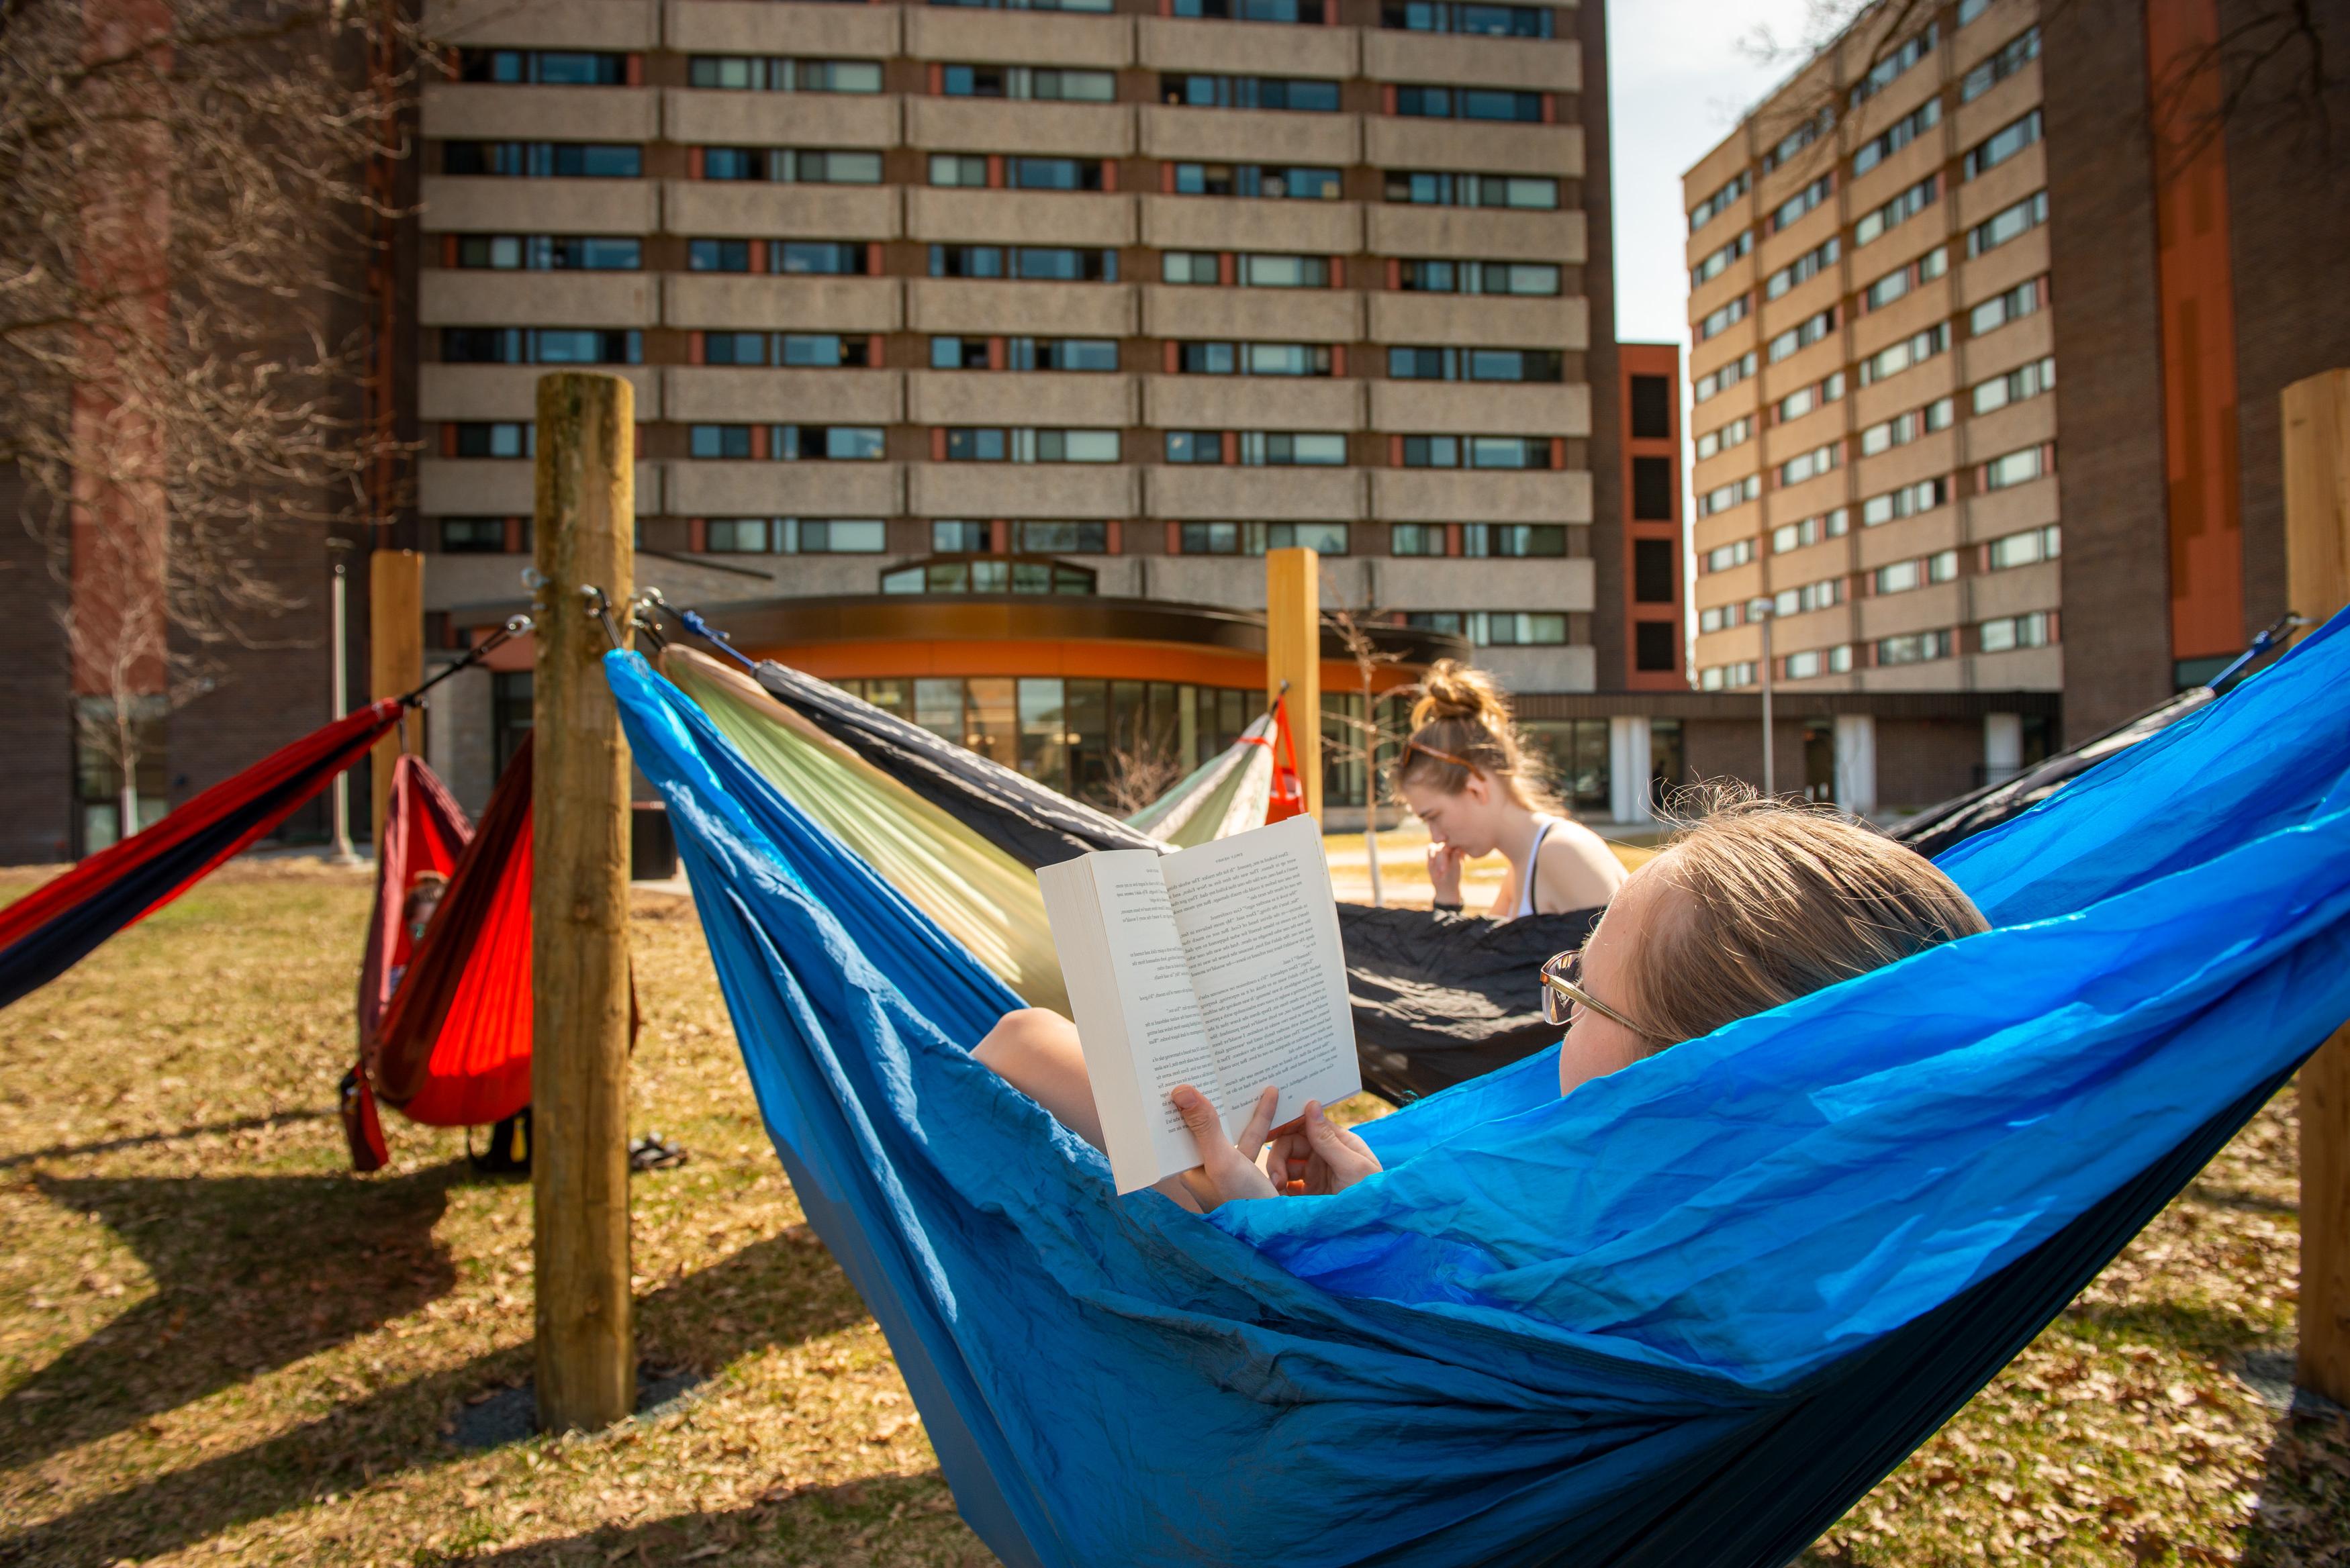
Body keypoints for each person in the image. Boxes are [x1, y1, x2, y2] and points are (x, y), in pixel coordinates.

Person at [976, 792, 1989, 1212]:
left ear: (1688, 1072)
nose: (1556, 1022)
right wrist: (1374, 1202)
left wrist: (1283, 1246)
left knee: (1023, 1041)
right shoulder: (1745, 1219)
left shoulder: (1605, 1273)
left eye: (1580, 993)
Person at [1393, 660, 1626, 921]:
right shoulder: (1522, 868)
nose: (1436, 837)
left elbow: (1630, 961)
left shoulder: (1564, 853)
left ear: (1476, 790)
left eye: (1434, 816)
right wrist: (1448, 897)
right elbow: (1482, 960)